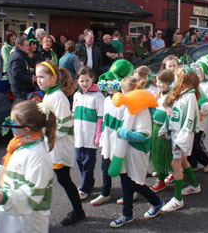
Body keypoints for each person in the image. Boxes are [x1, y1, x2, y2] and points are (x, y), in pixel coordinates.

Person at [0, 100, 56, 233]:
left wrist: (6, 197)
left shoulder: (38, 156)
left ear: (26, 129)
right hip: (12, 210)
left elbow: (34, 193)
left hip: (26, 220)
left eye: (12, 123)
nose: (8, 125)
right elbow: (15, 171)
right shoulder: (21, 145)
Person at [35, 60, 85, 226]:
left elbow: (64, 126)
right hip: (53, 145)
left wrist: (48, 138)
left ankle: (78, 212)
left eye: (42, 76)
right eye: (37, 77)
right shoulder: (49, 94)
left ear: (54, 77)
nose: (39, 80)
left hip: (59, 147)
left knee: (64, 180)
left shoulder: (58, 97)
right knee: (62, 180)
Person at [109, 76, 164, 228]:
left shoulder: (142, 111)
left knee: (136, 183)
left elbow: (143, 135)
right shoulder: (128, 106)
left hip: (136, 152)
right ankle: (127, 215)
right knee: (125, 182)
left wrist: (123, 133)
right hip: (125, 151)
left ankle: (156, 202)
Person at [90, 59, 135, 206]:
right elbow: (105, 120)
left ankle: (130, 192)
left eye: (113, 82)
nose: (109, 85)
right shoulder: (107, 99)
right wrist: (102, 136)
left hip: (120, 140)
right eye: (107, 81)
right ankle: (105, 193)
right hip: (108, 139)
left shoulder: (127, 101)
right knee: (105, 166)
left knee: (124, 169)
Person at [160, 67, 201, 212]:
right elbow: (174, 115)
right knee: (183, 161)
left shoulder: (189, 97)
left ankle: (178, 199)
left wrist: (181, 141)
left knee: (175, 164)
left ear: (183, 79)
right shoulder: (182, 94)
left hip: (181, 137)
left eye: (177, 77)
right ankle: (195, 186)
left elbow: (189, 120)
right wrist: (165, 128)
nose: (174, 79)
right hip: (176, 135)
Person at [73, 67, 104, 200]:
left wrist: (98, 136)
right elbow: (74, 113)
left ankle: (85, 188)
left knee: (88, 162)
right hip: (78, 136)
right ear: (77, 81)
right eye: (82, 80)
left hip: (90, 135)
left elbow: (101, 118)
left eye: (87, 80)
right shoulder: (76, 95)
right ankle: (89, 183)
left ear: (93, 79)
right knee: (79, 160)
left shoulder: (98, 96)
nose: (84, 83)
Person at [149, 70, 174, 193]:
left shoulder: (172, 96)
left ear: (170, 83)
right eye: (158, 82)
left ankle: (161, 180)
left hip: (165, 129)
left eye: (162, 82)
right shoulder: (158, 94)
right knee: (158, 153)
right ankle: (167, 174)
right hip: (155, 126)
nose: (159, 85)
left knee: (163, 154)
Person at [188, 55, 208, 172]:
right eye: (195, 72)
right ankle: (193, 163)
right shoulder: (191, 85)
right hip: (190, 119)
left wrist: (199, 107)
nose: (197, 75)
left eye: (200, 72)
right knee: (189, 142)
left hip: (202, 120)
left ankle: (206, 160)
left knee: (196, 142)